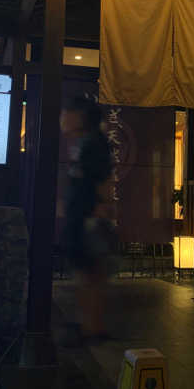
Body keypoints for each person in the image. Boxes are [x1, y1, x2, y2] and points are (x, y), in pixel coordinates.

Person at [59, 96, 113, 344]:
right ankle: (90, 325)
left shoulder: (94, 143)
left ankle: (93, 328)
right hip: (81, 215)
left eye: (67, 112)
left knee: (91, 274)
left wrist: (98, 212)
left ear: (80, 116)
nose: (63, 118)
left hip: (87, 217)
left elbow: (102, 181)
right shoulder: (83, 142)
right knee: (86, 275)